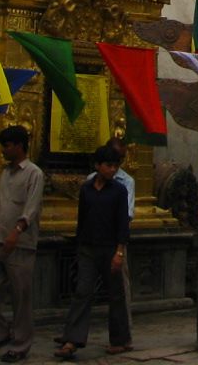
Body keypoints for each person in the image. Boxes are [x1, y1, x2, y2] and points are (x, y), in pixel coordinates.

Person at [55, 144, 131, 361]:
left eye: (115, 166)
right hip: (88, 247)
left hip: (110, 248)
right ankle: (72, 339)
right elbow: (82, 219)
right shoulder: (87, 189)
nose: (112, 170)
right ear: (98, 165)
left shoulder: (119, 191)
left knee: (115, 295)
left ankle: (119, 339)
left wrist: (119, 252)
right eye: (108, 165)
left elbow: (122, 224)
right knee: (83, 292)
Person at [0, 126, 44, 363]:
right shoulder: (5, 173)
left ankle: (21, 343)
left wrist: (17, 230)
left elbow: (31, 208)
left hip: (21, 242)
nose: (4, 150)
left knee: (20, 295)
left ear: (19, 146)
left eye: (7, 145)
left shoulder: (34, 173)